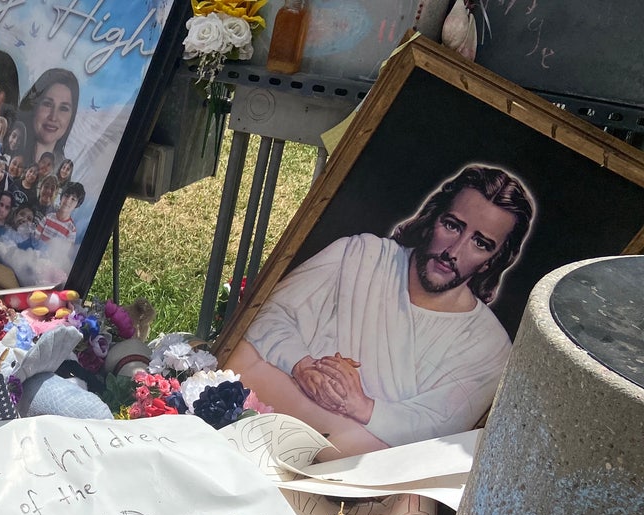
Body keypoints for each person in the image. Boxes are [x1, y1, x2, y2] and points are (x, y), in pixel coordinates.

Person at [227, 165, 536, 456]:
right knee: (239, 355)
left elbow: (434, 438)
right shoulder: (359, 255)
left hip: (361, 476)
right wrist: (301, 365)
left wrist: (362, 406)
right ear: (434, 216)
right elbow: (264, 318)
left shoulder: (489, 346)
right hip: (271, 430)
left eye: (480, 243)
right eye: (452, 225)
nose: (453, 251)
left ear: (493, 260)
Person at [19, 68, 79, 166]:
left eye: (63, 108)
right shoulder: (3, 150)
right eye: (47, 104)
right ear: (34, 106)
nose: (53, 117)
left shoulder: (64, 172)